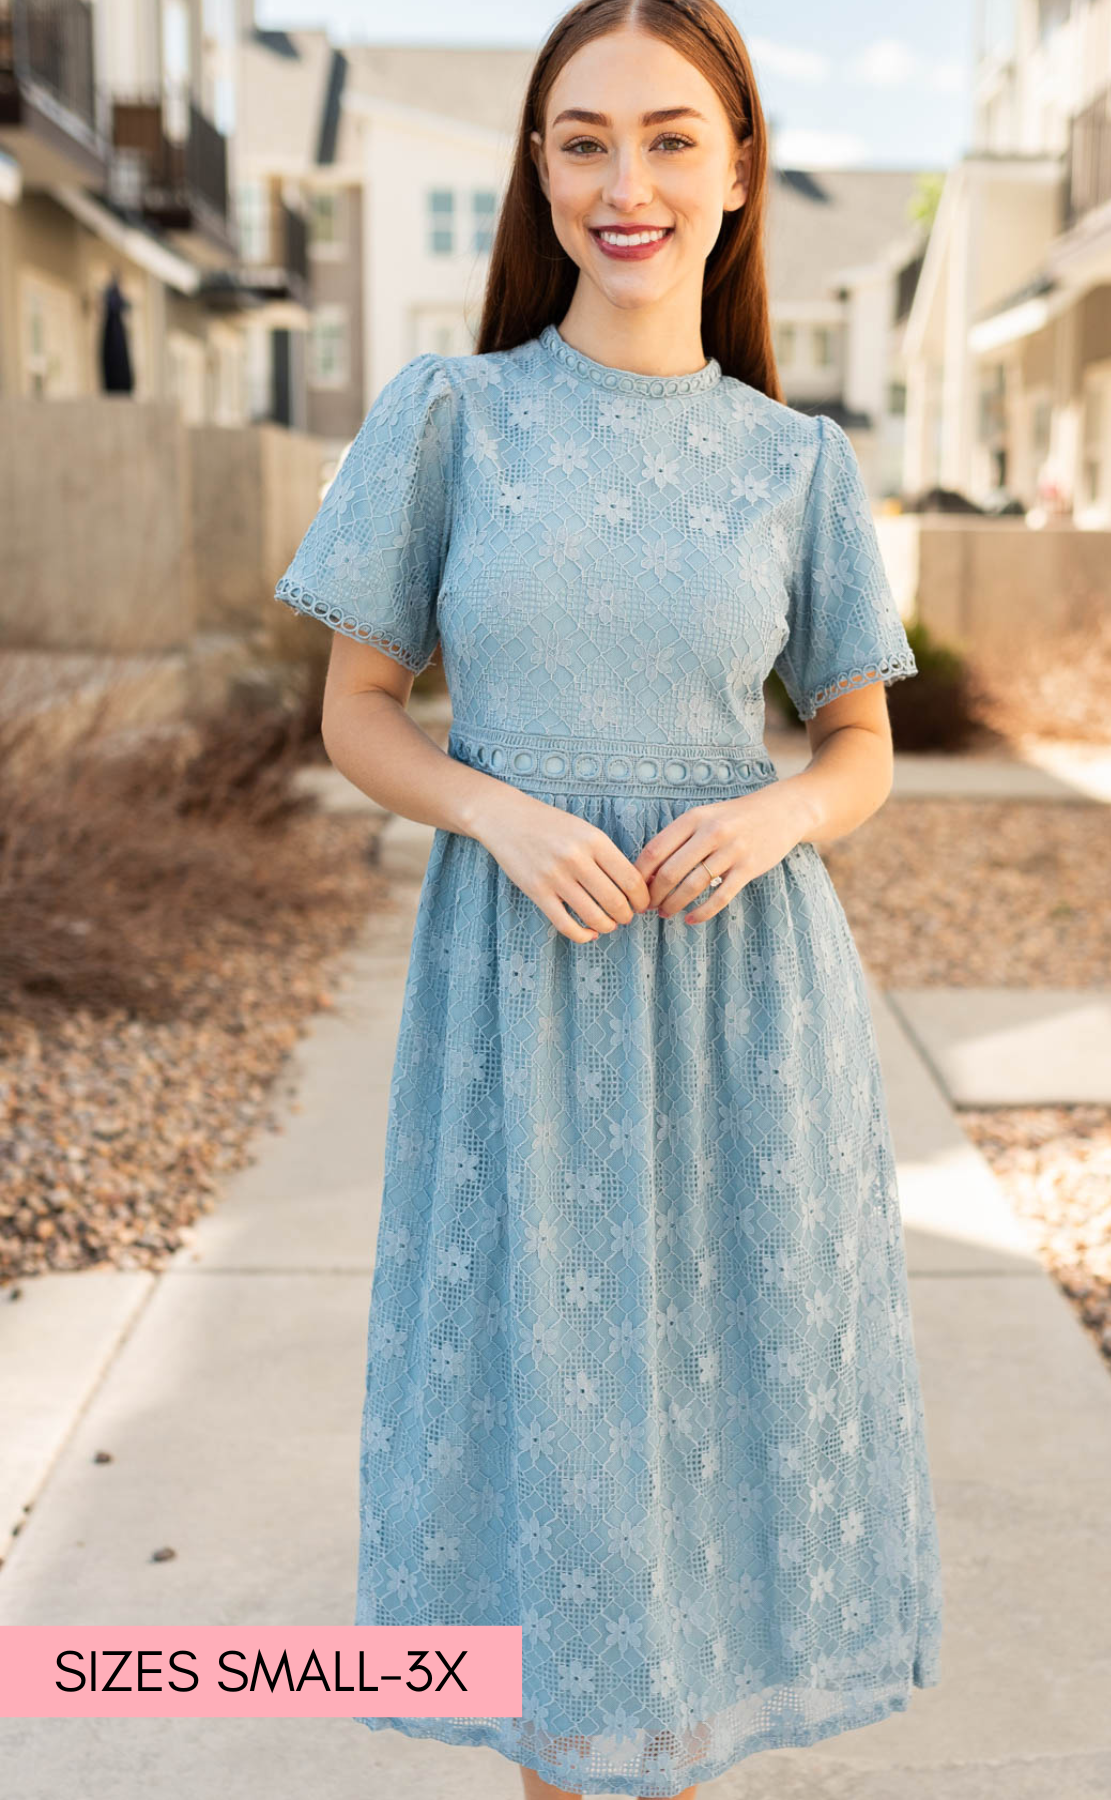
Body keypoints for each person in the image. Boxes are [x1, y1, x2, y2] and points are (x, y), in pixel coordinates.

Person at [272, 2, 943, 1795]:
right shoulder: (450, 417)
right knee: (551, 1448)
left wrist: (784, 815)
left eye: (664, 137)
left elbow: (859, 745)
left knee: (711, 1442)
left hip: (740, 1003)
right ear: (539, 170)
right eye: (580, 140)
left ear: (734, 169)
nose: (621, 181)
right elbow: (354, 713)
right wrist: (496, 813)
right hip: (522, 994)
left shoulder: (796, 465)